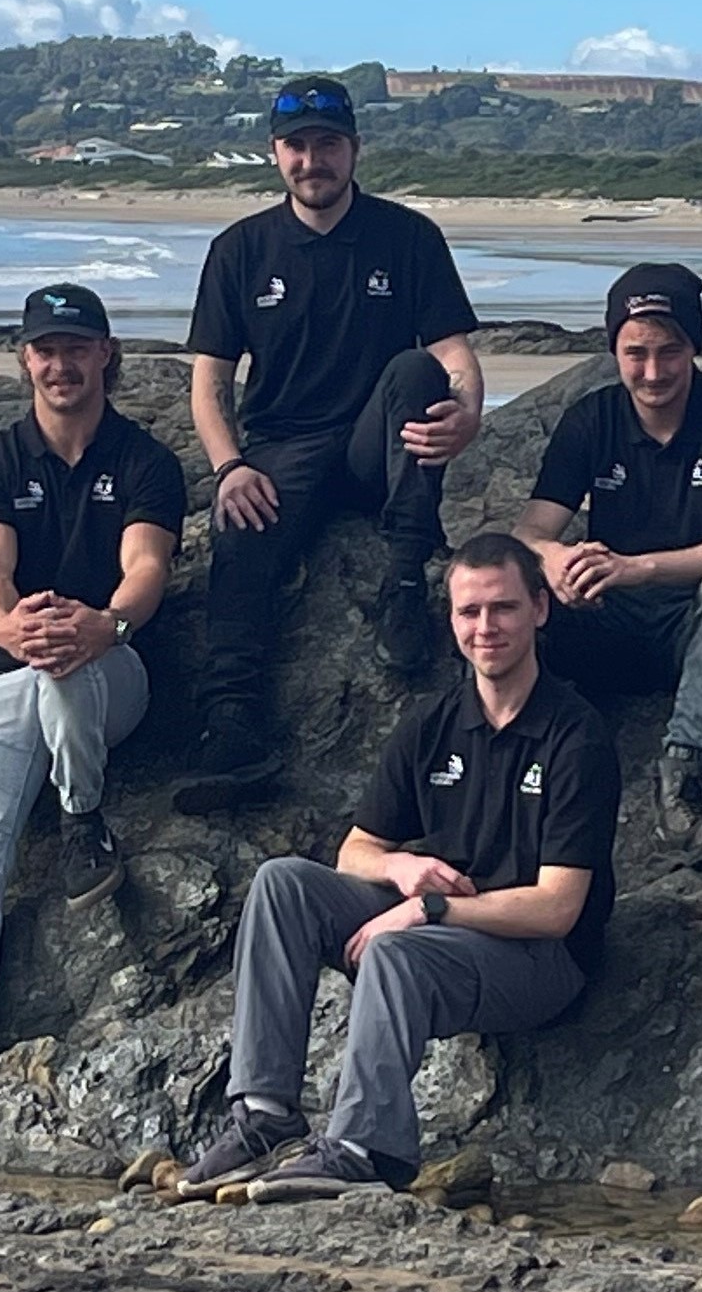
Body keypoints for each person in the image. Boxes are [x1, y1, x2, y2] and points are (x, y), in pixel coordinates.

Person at [165, 533, 619, 1201]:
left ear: (540, 610)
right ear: (451, 619)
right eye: (469, 611)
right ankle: (264, 1113)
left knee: (398, 954)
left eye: (503, 608)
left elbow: (556, 909)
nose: (485, 626)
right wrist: (403, 870)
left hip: (539, 957)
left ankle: (361, 1147)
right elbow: (356, 850)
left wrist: (429, 910)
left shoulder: (575, 736)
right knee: (283, 883)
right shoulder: (431, 722)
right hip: (443, 928)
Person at [0, 283, 188, 1095]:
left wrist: (105, 624)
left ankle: (82, 816)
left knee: (67, 662)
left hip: (112, 670)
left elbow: (145, 567)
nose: (61, 364)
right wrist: (8, 626)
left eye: (76, 347)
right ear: (25, 358)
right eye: (45, 349)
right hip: (5, 673)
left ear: (105, 354)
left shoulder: (144, 462)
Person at [176, 75, 487, 810]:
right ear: (275, 153)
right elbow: (208, 384)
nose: (311, 159)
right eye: (296, 145)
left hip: (373, 447)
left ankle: (406, 583)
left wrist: (469, 413)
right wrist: (227, 468)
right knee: (240, 526)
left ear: (352, 149)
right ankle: (233, 722)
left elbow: (452, 357)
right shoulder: (239, 250)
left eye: (326, 144)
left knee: (414, 369)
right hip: (281, 445)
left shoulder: (407, 237)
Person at [518, 263, 702, 871]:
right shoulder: (592, 419)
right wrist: (556, 561)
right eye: (636, 353)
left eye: (670, 351)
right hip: (615, 623)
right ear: (614, 349)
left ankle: (684, 787)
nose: (653, 371)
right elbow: (531, 531)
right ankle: (507, 770)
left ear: (694, 347)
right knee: (513, 594)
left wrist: (639, 567)